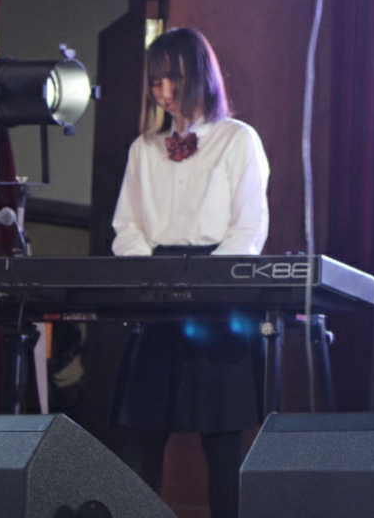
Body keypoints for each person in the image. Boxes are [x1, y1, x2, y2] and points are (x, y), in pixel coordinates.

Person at [109, 27, 270, 518]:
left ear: (199, 75)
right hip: (156, 291)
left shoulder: (238, 140)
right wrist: (149, 277)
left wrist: (208, 284)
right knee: (140, 439)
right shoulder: (144, 148)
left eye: (172, 80)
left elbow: (249, 228)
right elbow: (126, 226)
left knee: (222, 446)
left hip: (217, 295)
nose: (163, 93)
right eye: (155, 82)